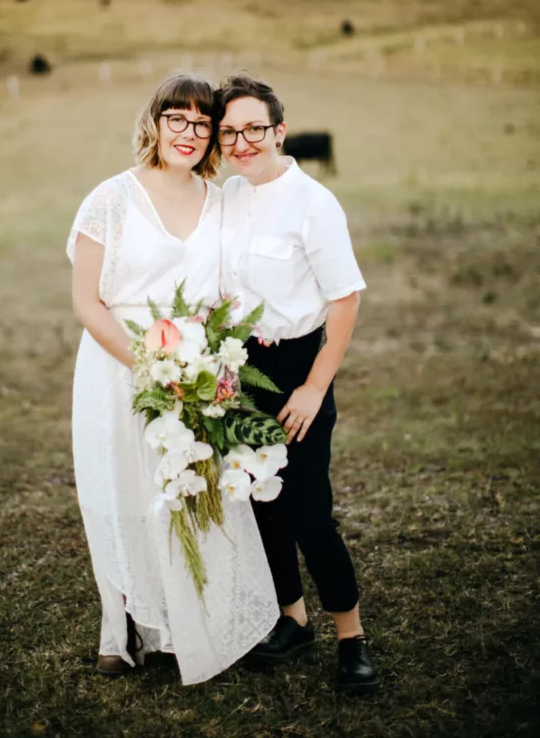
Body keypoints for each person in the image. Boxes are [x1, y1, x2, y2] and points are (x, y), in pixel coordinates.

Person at [66, 73, 279, 686]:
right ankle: (120, 626)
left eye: (201, 123)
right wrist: (152, 364)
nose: (188, 133)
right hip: (119, 365)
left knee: (186, 489)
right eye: (176, 119)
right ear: (154, 123)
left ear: (213, 135)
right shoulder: (110, 198)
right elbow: (86, 301)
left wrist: (205, 367)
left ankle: (187, 623)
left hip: (198, 367)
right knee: (120, 492)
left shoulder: (220, 201)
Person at [216, 73, 378, 692]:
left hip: (298, 368)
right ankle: (292, 616)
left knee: (311, 513)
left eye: (254, 129)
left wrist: (313, 388)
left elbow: (345, 301)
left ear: (280, 131)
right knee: (262, 501)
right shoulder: (227, 195)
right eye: (229, 132)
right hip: (238, 367)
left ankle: (351, 637)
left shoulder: (315, 203)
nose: (242, 142)